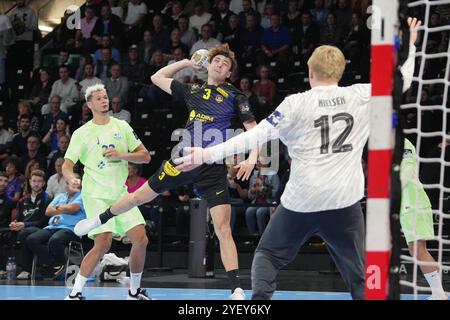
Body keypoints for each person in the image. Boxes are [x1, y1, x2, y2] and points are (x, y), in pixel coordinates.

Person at [172, 18, 421, 300]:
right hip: (344, 202)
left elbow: (254, 137)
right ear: (339, 72)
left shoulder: (295, 103)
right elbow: (403, 80)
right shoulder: (361, 94)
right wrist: (410, 44)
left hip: (302, 201)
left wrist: (207, 153)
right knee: (357, 276)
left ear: (310, 72)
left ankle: (259, 302)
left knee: (266, 255)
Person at [74, 44, 259, 300]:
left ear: (229, 73)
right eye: (215, 61)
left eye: (225, 64)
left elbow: (255, 130)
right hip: (183, 160)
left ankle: (236, 289)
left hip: (212, 168)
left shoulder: (235, 96)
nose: (219, 65)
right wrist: (185, 62)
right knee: (139, 197)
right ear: (208, 65)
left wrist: (252, 157)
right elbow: (157, 78)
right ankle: (98, 220)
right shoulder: (193, 89)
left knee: (223, 228)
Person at [62, 84, 151, 300]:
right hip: (96, 195)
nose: (105, 101)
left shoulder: (122, 126)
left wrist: (122, 155)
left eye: (106, 97)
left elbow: (145, 156)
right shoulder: (82, 133)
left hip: (121, 193)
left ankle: (134, 291)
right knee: (103, 243)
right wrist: (71, 177)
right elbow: (67, 163)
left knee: (141, 239)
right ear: (89, 104)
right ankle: (75, 294)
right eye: (99, 98)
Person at [400, 139, 448, 300]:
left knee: (420, 251)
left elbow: (406, 172)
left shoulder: (404, 144)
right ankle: (438, 293)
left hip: (414, 203)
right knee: (416, 251)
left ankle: (439, 293)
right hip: (404, 205)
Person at [26, 172, 85, 279]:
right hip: (52, 227)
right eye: (68, 183)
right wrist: (64, 208)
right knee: (32, 239)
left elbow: (73, 208)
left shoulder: (82, 196)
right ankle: (55, 264)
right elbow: (48, 211)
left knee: (55, 240)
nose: (70, 185)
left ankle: (58, 264)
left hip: (71, 228)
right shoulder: (60, 196)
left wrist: (57, 208)